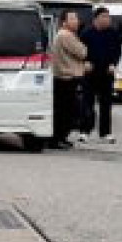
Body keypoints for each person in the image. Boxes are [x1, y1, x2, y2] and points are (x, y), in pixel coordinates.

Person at [77, 7, 122, 144]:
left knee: (106, 104)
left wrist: (113, 63)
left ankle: (106, 132)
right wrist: (85, 62)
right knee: (87, 103)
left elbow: (117, 51)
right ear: (96, 18)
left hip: (107, 73)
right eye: (104, 16)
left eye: (108, 17)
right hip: (90, 73)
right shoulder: (86, 33)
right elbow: (80, 51)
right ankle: (85, 131)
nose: (107, 19)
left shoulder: (113, 33)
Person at [49, 10, 89, 149]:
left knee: (65, 110)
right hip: (66, 78)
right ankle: (58, 138)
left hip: (63, 77)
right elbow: (83, 52)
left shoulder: (64, 35)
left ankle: (61, 137)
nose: (76, 21)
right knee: (65, 111)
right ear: (64, 22)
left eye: (76, 18)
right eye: (72, 19)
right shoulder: (66, 35)